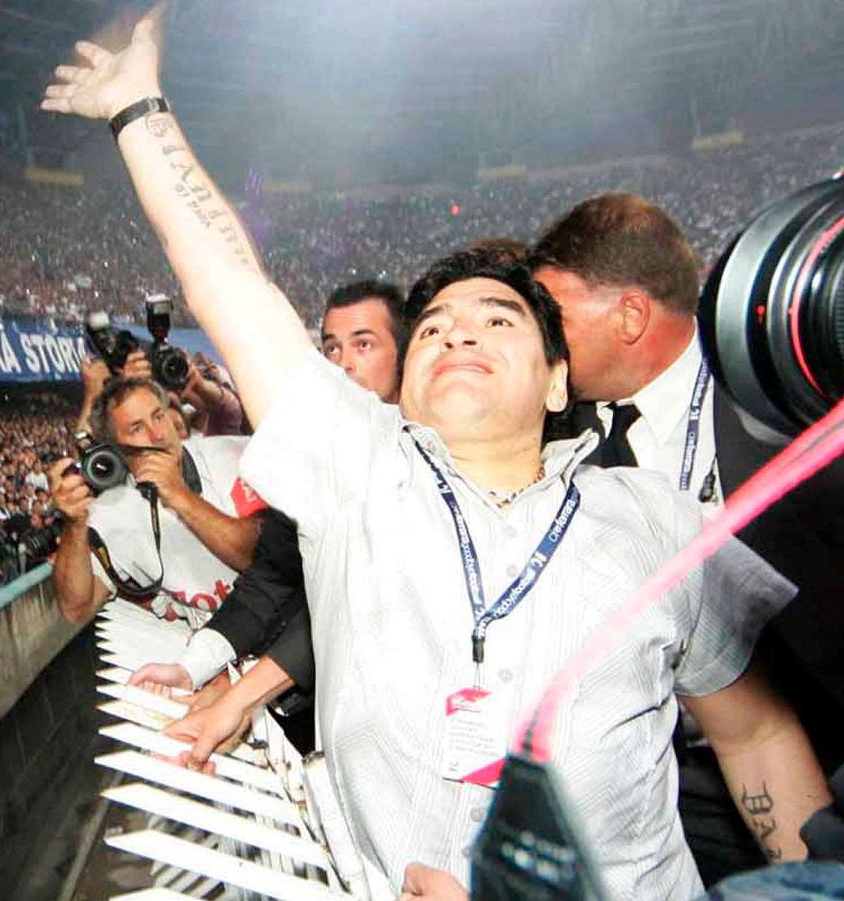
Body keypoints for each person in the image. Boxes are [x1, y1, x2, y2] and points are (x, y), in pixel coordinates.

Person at [41, 17, 827, 898]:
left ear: (559, 380)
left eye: (500, 320)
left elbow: (754, 733)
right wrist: (139, 110)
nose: (461, 331)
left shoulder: (657, 520)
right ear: (406, 389)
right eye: (438, 329)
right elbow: (231, 285)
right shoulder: (361, 478)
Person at [531, 193, 844, 884]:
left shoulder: (788, 393)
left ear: (631, 316)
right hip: (662, 785)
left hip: (813, 755)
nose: (540, 341)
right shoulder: (554, 427)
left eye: (553, 316)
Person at [129, 280, 405, 735]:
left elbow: (345, 602)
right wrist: (190, 668)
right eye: (332, 349)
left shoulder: (432, 460)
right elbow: (269, 581)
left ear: (403, 354)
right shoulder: (311, 459)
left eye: (364, 344)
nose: (344, 364)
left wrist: (240, 696)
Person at [47, 371, 259, 629]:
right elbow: (74, 610)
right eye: (137, 428)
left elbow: (263, 559)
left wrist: (179, 495)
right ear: (115, 449)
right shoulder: (112, 511)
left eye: (158, 416)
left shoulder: (234, 456)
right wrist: (75, 525)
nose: (157, 434)